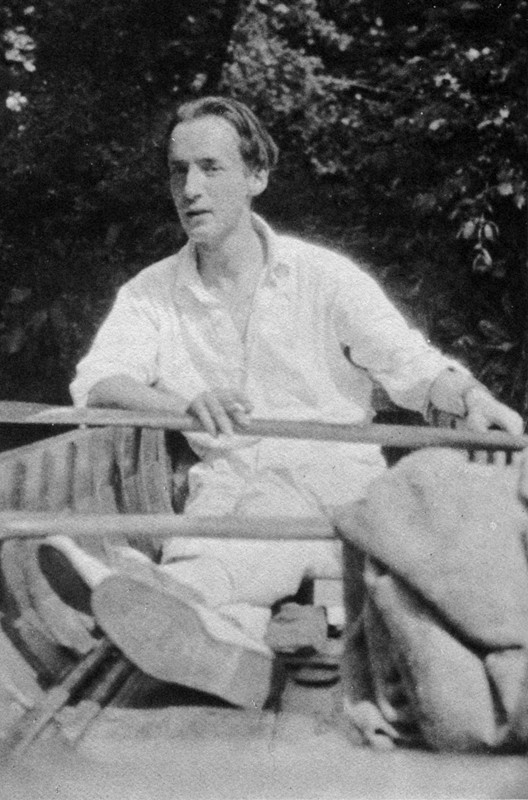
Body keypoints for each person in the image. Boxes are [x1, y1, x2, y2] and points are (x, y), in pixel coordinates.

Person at [56, 96, 523, 708]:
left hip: (333, 498)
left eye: (211, 167)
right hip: (225, 499)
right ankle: (234, 638)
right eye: (178, 171)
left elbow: (411, 366)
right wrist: (180, 404)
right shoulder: (152, 292)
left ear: (257, 177)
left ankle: (175, 599)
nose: (190, 189)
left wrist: (472, 397)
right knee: (229, 532)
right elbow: (97, 382)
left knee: (258, 534)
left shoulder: (324, 277)